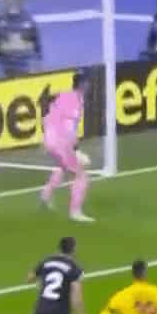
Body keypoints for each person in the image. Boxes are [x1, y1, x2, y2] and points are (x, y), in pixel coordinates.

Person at [39, 72, 93, 223]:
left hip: (50, 140)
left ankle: (45, 196)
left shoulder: (64, 95)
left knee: (62, 167)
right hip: (60, 142)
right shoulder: (75, 100)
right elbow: (69, 128)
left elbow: (47, 117)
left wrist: (47, 138)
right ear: (82, 84)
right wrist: (76, 150)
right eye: (87, 82)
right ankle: (75, 212)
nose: (89, 85)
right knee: (81, 175)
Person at [0, 0, 43, 78]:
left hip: (23, 62)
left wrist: (38, 57)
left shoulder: (27, 19)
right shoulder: (1, 19)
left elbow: (35, 38)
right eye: (10, 2)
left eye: (15, 2)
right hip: (7, 63)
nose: (13, 5)